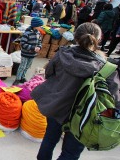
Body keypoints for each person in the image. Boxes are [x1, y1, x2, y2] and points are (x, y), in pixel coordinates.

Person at [31, 22, 120, 160]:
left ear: (75, 37)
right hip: (84, 116)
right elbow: (113, 98)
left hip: (57, 107)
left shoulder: (62, 54)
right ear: (99, 39)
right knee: (70, 153)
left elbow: (49, 74)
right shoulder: (106, 68)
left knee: (49, 140)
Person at [13, 17, 43, 85]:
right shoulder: (27, 33)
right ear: (35, 26)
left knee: (27, 66)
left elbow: (40, 42)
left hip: (32, 54)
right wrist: (33, 48)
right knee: (22, 66)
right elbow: (23, 44)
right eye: (40, 26)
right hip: (25, 54)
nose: (41, 27)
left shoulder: (38, 33)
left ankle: (22, 77)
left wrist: (39, 47)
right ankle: (18, 78)